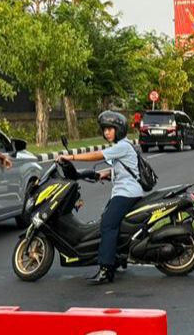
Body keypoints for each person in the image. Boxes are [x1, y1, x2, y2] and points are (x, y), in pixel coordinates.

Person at [56, 110, 144, 285]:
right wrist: (101, 174)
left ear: (119, 129)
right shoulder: (122, 146)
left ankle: (106, 269)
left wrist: (70, 157)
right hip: (126, 191)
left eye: (110, 129)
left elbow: (98, 155)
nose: (106, 133)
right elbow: (121, 169)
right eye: (104, 130)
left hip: (126, 193)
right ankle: (117, 258)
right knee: (109, 221)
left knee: (107, 225)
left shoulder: (122, 146)